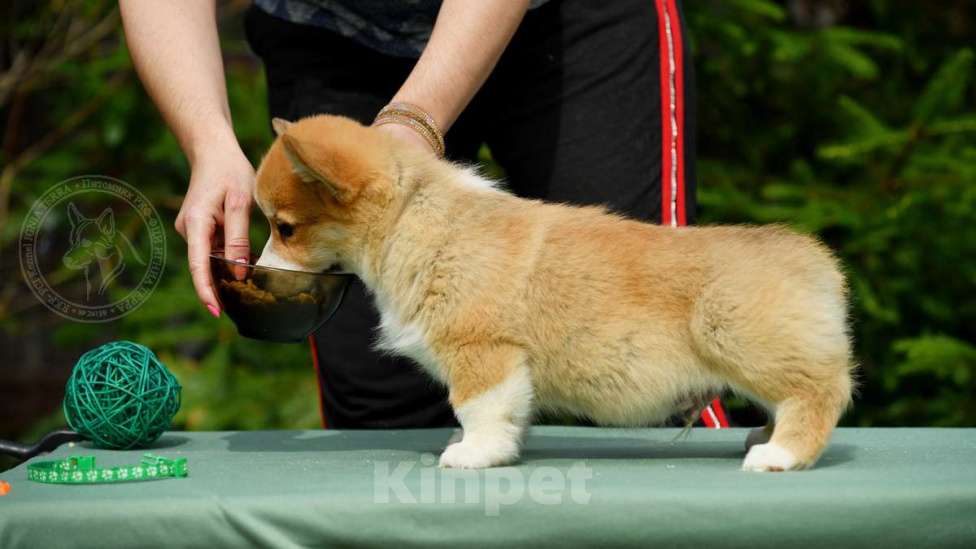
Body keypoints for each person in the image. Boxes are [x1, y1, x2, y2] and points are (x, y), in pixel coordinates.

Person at [120, 0, 727, 429]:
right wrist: (208, 138)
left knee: (651, 351)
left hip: (564, 27)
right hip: (331, 36)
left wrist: (412, 122)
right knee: (380, 401)